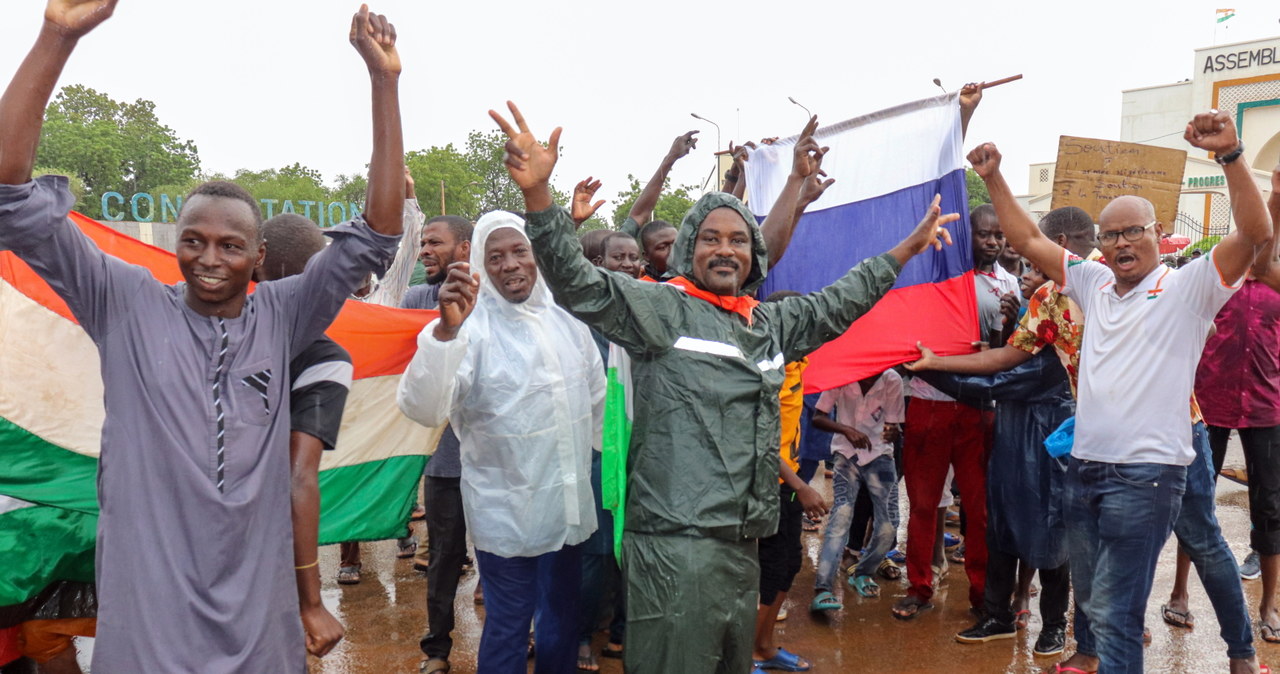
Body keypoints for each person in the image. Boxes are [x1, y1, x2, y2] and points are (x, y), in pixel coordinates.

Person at [0, 3, 406, 670]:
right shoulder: (123, 301)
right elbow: (11, 197)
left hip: (256, 607)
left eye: (229, 244)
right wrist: (58, 35)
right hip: (147, 602)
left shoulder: (283, 316)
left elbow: (377, 235)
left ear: (257, 258)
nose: (208, 257)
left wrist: (383, 84)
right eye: (193, 240)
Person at [491, 100, 956, 674]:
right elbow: (577, 282)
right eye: (710, 238)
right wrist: (539, 199)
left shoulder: (767, 325)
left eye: (738, 239)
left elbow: (840, 301)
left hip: (741, 544)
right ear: (690, 249)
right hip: (673, 544)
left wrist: (906, 250)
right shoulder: (661, 308)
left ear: (754, 254)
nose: (725, 249)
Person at [967, 109, 1272, 674]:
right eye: (1111, 234)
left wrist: (1230, 157)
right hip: (1084, 470)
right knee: (1095, 600)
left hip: (1148, 474)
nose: (1123, 241)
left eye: (1135, 230)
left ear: (1157, 233)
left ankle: (1241, 652)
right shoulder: (1093, 279)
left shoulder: (1189, 287)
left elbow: (1254, 236)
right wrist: (993, 177)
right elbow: (1028, 237)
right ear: (1098, 243)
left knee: (1118, 611)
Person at [397, 211, 604, 674]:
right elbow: (424, 408)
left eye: (519, 252)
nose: (510, 265)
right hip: (505, 515)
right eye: (496, 256)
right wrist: (446, 332)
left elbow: (597, 407)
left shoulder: (566, 323)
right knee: (508, 626)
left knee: (561, 622)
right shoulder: (468, 329)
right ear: (479, 266)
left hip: (567, 510)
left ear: (536, 256)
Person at [893, 203, 1018, 621]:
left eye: (1000, 235)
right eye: (986, 234)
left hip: (979, 409)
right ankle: (919, 587)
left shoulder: (1010, 286)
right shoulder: (940, 275)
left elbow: (1011, 352)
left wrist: (1009, 329)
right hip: (929, 403)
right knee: (923, 504)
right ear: (969, 235)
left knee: (979, 511)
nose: (995, 242)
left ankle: (983, 596)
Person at [253, 213, 352, 657]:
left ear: (257, 262)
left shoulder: (198, 325)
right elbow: (298, 476)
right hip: (265, 548)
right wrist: (310, 600)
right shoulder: (325, 358)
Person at [1191, 164, 1280, 642]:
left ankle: (1269, 604)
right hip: (1211, 405)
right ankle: (1180, 593)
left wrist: (1278, 197)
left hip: (1266, 407)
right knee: (1196, 499)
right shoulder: (1212, 281)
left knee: (1269, 508)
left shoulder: (1273, 282)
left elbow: (1264, 258)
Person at [399, 213, 474, 674]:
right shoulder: (412, 300)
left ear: (465, 249)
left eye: (435, 243)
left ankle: (520, 632)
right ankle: (438, 650)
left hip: (495, 460)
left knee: (507, 554)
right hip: (443, 459)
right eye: (422, 242)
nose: (425, 250)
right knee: (444, 557)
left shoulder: (497, 300)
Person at [752, 291, 829, 673]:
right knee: (770, 565)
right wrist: (800, 485)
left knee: (788, 563)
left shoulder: (796, 358)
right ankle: (750, 653)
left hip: (789, 479)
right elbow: (759, 439)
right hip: (771, 481)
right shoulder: (767, 369)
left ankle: (763, 647)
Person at [809, 368, 904, 609]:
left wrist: (893, 432)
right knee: (841, 517)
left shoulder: (892, 380)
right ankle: (823, 588)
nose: (872, 377)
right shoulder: (843, 374)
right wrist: (847, 430)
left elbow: (892, 427)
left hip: (879, 455)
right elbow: (818, 417)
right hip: (846, 454)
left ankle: (863, 572)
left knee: (889, 524)